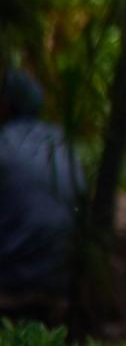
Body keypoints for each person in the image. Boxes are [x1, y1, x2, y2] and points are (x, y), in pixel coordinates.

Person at [0, 66, 82, 302]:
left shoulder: (4, 144)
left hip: (12, 279)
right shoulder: (61, 142)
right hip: (60, 277)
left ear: (5, 104)